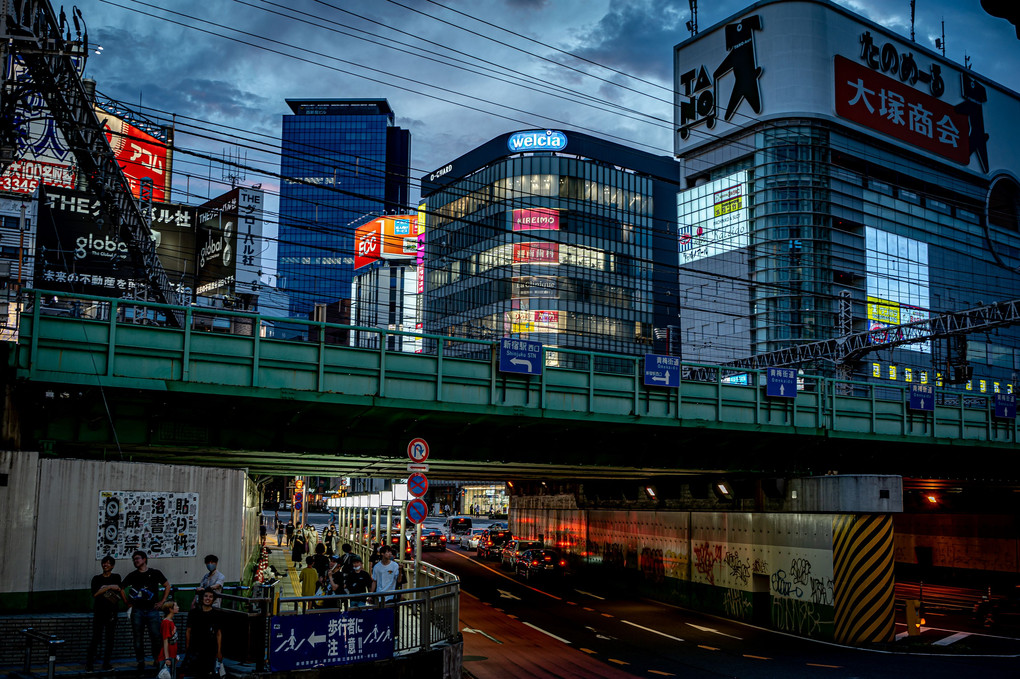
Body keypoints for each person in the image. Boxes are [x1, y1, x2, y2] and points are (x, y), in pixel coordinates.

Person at [122, 550, 171, 671]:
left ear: (144, 559)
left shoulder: (155, 573)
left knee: (156, 637)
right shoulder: (132, 575)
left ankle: (156, 659)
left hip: (152, 611)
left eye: (138, 558)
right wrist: (127, 603)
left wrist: (162, 601)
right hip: (137, 610)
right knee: (138, 637)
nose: (136, 561)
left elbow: (167, 586)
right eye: (134, 559)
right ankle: (140, 661)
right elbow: (121, 588)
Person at [86, 555, 122, 672]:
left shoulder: (116, 577)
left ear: (112, 565)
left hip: (112, 612)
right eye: (104, 563)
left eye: (108, 563)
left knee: (109, 639)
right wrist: (109, 588)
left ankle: (106, 664)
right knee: (96, 638)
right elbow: (95, 594)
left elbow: (118, 590)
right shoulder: (96, 578)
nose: (105, 565)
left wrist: (105, 587)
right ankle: (89, 664)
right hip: (99, 612)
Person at [185, 590, 223, 679]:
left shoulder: (216, 614)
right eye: (206, 596)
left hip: (210, 649)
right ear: (202, 598)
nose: (208, 599)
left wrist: (219, 651)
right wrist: (187, 647)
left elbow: (218, 634)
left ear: (213, 599)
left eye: (210, 597)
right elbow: (188, 631)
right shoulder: (193, 613)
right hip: (195, 648)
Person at [158, 600, 179, 679]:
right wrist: (167, 658)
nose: (178, 607)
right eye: (176, 606)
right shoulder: (166, 622)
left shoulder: (170, 621)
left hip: (172, 655)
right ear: (170, 609)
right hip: (167, 656)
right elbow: (165, 641)